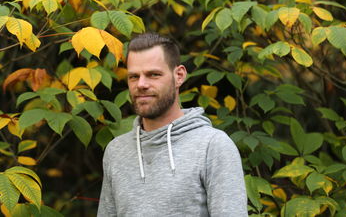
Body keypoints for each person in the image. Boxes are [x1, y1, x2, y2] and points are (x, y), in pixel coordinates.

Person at [97, 33, 247, 216]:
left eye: (153, 74)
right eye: (134, 77)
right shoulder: (116, 151)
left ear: (179, 76)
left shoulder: (212, 146)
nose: (141, 84)